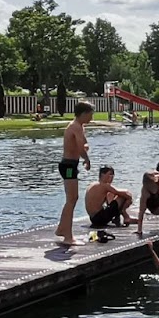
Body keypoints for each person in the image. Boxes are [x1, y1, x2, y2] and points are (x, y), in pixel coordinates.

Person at [55, 102, 94, 246]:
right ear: (83, 114)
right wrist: (87, 159)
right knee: (72, 199)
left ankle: (61, 229)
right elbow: (80, 147)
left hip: (72, 164)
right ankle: (68, 236)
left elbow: (84, 143)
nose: (91, 117)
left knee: (72, 198)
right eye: (90, 114)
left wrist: (84, 149)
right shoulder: (75, 127)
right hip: (68, 165)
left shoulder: (80, 127)